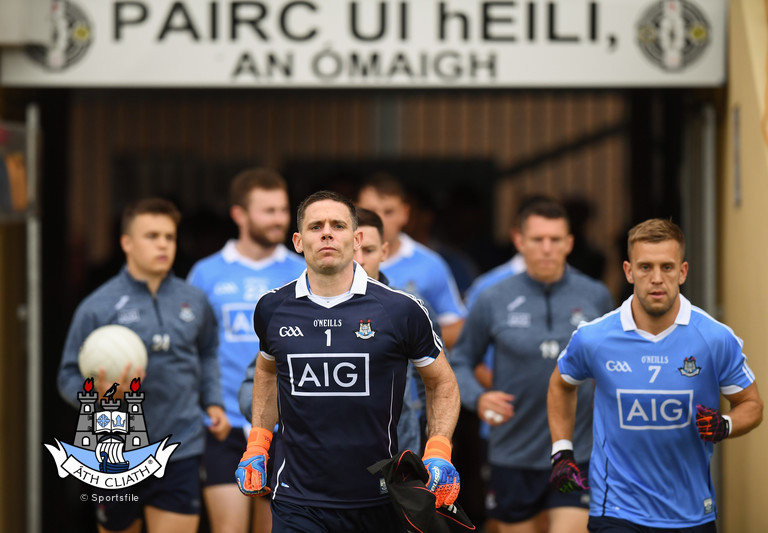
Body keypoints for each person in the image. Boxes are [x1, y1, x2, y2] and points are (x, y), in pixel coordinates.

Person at [235, 190, 462, 532]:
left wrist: (439, 449)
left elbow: (441, 380)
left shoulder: (401, 309)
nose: (327, 233)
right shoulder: (272, 308)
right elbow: (267, 371)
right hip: (297, 500)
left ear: (356, 240)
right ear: (298, 241)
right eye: (316, 227)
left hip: (377, 499)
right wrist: (258, 442)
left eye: (338, 225)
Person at [548, 218, 764, 532]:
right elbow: (561, 384)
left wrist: (725, 425)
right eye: (646, 267)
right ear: (628, 271)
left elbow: (751, 404)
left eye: (667, 267)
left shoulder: (715, 338)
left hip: (691, 512)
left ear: (683, 272)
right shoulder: (594, 337)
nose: (657, 279)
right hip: (616, 509)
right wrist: (561, 451)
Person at [57, 198, 229, 533]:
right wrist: (96, 396)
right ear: (126, 242)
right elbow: (67, 376)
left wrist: (213, 401)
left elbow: (208, 352)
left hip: (179, 447)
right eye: (152, 236)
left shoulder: (194, 300)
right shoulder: (97, 306)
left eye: (169, 237)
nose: (163, 244)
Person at [451, 199, 614, 533]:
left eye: (555, 239)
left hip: (577, 451)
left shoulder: (596, 295)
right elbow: (461, 360)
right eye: (538, 239)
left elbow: (611, 364)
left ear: (570, 242)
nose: (547, 248)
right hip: (513, 453)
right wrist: (478, 398)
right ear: (519, 240)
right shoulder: (493, 297)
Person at [187, 169, 305, 533]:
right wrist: (206, 405)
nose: (280, 219)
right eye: (268, 211)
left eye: (283, 210)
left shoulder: (302, 270)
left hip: (284, 426)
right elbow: (191, 349)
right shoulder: (205, 273)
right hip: (223, 424)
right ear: (239, 214)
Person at [356, 173, 467, 348]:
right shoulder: (337, 260)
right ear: (354, 211)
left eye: (389, 212)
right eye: (370, 211)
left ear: (405, 213)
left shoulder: (430, 264)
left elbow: (457, 327)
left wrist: (409, 338)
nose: (380, 220)